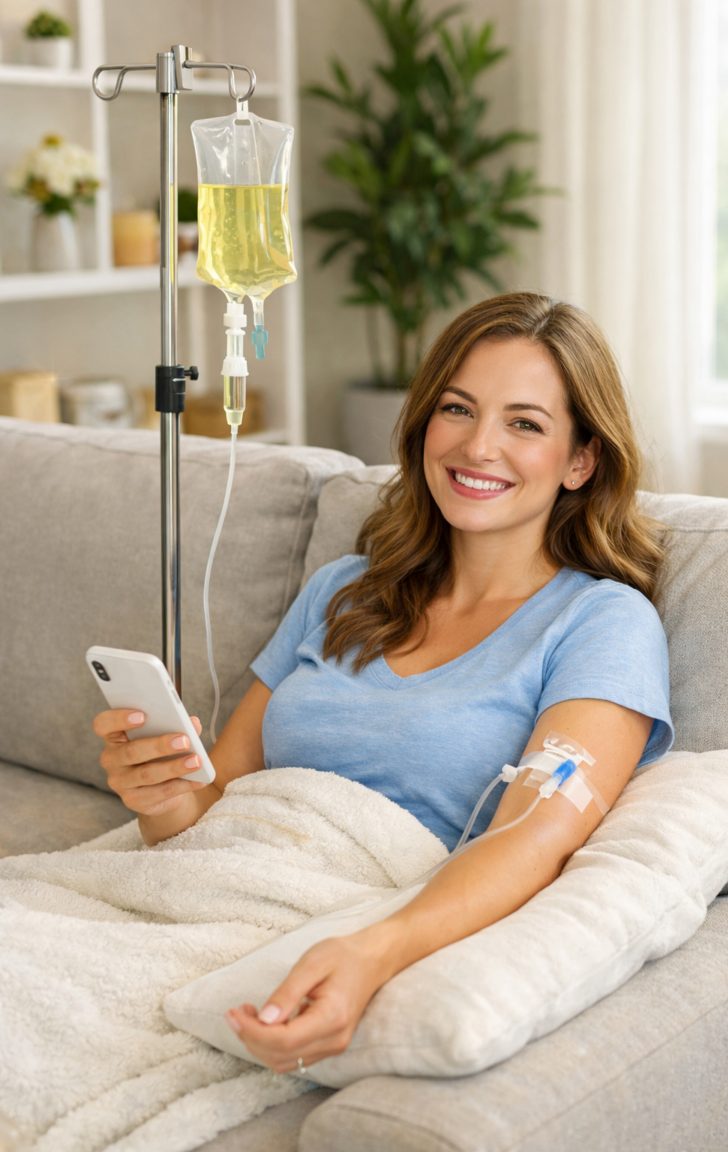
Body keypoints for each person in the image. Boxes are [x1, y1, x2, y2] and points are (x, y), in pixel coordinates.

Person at [94, 293, 673, 1075]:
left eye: (525, 423)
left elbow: (535, 838)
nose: (477, 446)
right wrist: (160, 791)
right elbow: (206, 818)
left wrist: (371, 952)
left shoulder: (603, 622)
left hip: (349, 918)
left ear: (581, 460)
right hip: (215, 888)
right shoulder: (345, 588)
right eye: (457, 409)